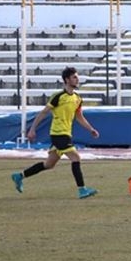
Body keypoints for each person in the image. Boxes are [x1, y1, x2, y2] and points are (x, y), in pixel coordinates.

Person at [10, 66, 100, 199]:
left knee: (49, 164)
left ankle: (19, 176)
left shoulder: (77, 98)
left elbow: (79, 117)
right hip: (58, 134)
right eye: (74, 77)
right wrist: (32, 129)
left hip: (66, 134)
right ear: (67, 80)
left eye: (77, 77)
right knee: (76, 158)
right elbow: (43, 113)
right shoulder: (58, 96)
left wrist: (91, 129)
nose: (77, 79)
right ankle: (82, 190)